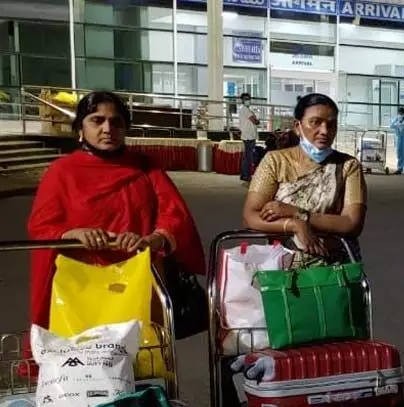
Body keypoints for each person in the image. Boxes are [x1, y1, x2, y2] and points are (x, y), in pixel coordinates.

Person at [27, 90, 205, 329]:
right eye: (97, 120)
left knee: (142, 356)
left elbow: (174, 214)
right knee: (85, 357)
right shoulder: (62, 171)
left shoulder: (145, 167)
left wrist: (154, 239)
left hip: (139, 281)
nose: (108, 128)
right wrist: (74, 234)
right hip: (81, 284)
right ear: (80, 129)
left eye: (116, 122)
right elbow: (41, 224)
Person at [243, 93, 367, 268]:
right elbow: (251, 216)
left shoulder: (348, 166)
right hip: (281, 268)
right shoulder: (275, 161)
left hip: (334, 269)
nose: (324, 131)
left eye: (331, 125)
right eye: (315, 122)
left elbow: (351, 223)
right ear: (298, 126)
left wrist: (298, 213)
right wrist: (294, 225)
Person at [238, 92, 260, 183]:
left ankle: (244, 175)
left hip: (249, 135)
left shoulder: (247, 109)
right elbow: (255, 121)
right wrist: (256, 120)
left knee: (246, 156)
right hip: (248, 136)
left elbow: (254, 119)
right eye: (246, 99)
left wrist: (255, 119)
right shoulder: (244, 110)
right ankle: (246, 175)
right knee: (248, 157)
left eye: (249, 98)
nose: (248, 100)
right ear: (242, 100)